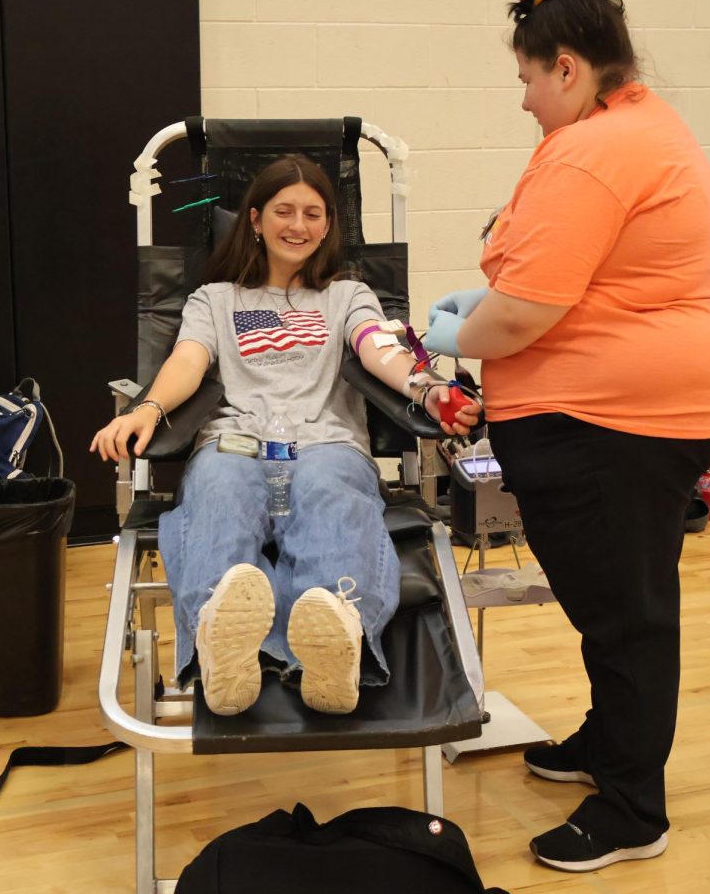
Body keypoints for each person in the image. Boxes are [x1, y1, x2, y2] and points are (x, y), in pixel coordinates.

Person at [425, 0, 710, 872]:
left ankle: (635, 810)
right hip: (625, 416)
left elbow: (520, 317)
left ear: (566, 65)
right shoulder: (640, 125)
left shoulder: (594, 150)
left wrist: (445, 336)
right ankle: (610, 744)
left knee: (628, 611)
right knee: (611, 603)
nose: (521, 100)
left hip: (615, 426)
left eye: (525, 79)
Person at [92, 154, 476, 717]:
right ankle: (223, 648)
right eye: (285, 211)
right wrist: (148, 408)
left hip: (325, 443)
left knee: (332, 494)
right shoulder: (215, 299)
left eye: (314, 213)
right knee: (219, 491)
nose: (299, 226)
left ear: (328, 225)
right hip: (237, 443)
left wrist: (426, 389)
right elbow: (188, 360)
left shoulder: (348, 295)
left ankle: (335, 641)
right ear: (254, 218)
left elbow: (379, 348)